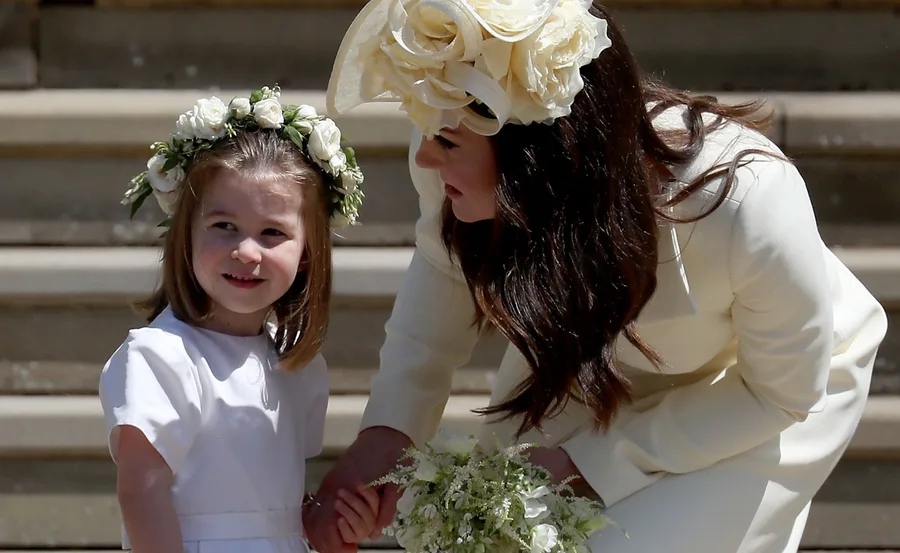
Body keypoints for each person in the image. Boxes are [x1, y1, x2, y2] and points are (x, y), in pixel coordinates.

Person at [307, 1, 891, 552]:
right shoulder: (453, 136)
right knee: (497, 535)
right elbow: (441, 281)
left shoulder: (746, 203)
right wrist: (386, 436)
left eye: (446, 142)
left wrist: (590, 461)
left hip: (757, 391)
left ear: (539, 152)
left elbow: (780, 393)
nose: (426, 159)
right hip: (595, 358)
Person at [99, 86, 376, 553]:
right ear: (186, 234)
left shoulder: (294, 366)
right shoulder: (161, 358)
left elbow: (269, 506)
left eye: (272, 233)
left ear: (308, 253)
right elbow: (142, 492)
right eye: (223, 226)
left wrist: (329, 523)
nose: (246, 250)